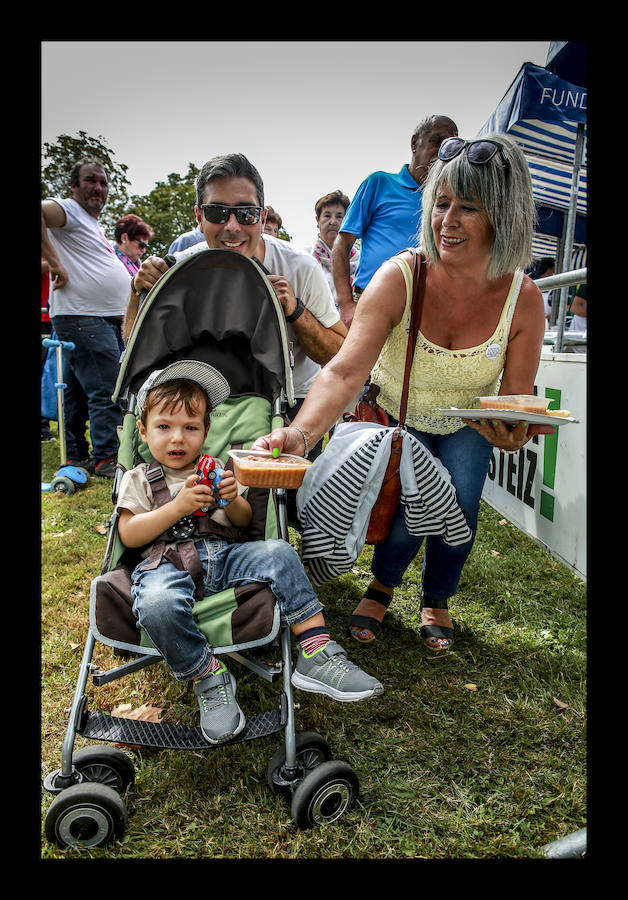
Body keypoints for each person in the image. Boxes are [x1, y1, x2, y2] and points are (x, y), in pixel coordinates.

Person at [253, 134, 556, 652]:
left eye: (469, 208)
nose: (447, 222)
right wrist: (301, 433)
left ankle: (437, 598)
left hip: (466, 422)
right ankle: (382, 585)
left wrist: (513, 433)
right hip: (396, 412)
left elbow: (515, 397)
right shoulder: (400, 275)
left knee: (458, 510)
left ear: (503, 214)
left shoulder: (523, 297)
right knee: (406, 507)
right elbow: (345, 371)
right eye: (441, 204)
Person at [116, 360, 383, 744]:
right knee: (155, 603)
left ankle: (315, 651)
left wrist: (228, 499)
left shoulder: (220, 470)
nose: (177, 439)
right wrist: (176, 507)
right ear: (142, 431)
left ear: (206, 431)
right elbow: (129, 533)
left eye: (190, 428)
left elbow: (241, 521)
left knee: (279, 552)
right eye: (164, 427)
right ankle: (206, 676)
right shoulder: (139, 477)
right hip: (165, 565)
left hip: (224, 557)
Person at [124, 153, 346, 521]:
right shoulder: (182, 267)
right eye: (217, 213)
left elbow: (338, 353)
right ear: (198, 216)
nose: (232, 226)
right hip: (207, 400)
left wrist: (295, 311)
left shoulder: (299, 267)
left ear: (261, 215)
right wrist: (138, 292)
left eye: (245, 213)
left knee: (297, 509)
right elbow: (135, 343)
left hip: (292, 400)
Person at [41, 158, 131, 477]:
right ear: (74, 186)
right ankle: (106, 456)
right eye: (91, 180)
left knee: (78, 390)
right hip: (83, 315)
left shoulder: (87, 222)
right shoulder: (67, 208)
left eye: (103, 183)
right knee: (107, 385)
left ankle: (76, 454)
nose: (99, 188)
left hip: (94, 317)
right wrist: (55, 264)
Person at [332, 115, 458, 330]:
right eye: (436, 142)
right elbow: (341, 247)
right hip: (371, 302)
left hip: (425, 312)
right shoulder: (379, 183)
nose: (441, 154)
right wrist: (346, 305)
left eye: (451, 147)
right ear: (414, 143)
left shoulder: (449, 200)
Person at [306, 190, 359, 310]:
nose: (333, 221)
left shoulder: (360, 261)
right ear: (317, 220)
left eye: (339, 216)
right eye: (327, 215)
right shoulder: (305, 257)